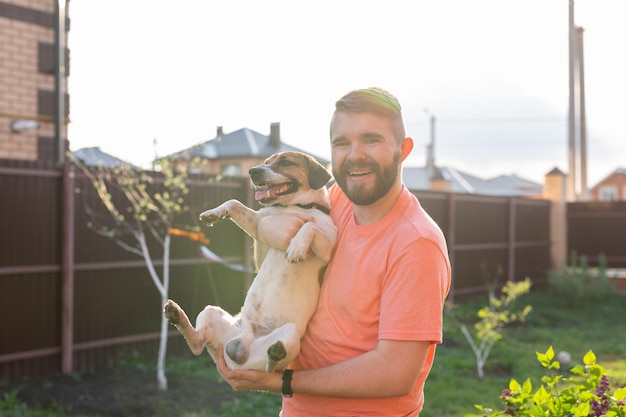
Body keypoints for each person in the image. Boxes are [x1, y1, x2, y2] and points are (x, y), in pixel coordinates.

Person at [216, 87, 451, 416]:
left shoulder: (416, 244)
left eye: (371, 139)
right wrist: (266, 228)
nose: (355, 155)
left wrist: (284, 382)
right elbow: (270, 227)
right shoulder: (334, 201)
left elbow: (395, 374)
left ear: (403, 148)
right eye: (342, 143)